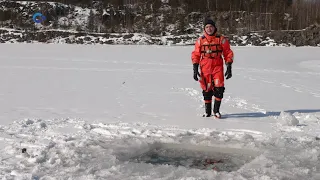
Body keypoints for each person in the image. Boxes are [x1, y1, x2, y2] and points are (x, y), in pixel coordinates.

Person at [191, 18, 234, 118]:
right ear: (204, 29)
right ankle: (207, 112)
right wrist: (195, 68)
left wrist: (229, 66)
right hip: (205, 66)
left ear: (214, 28)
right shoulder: (200, 41)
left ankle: (216, 111)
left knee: (219, 88)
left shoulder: (221, 39)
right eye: (207, 27)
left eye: (211, 26)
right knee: (206, 89)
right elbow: (196, 54)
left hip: (217, 66)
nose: (209, 29)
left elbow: (228, 52)